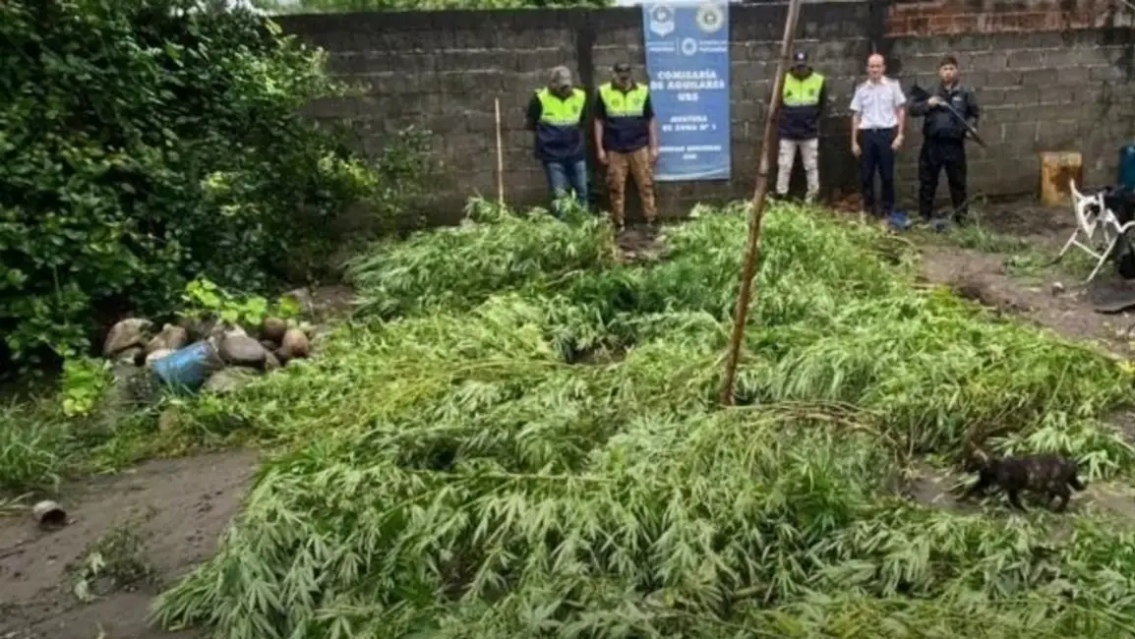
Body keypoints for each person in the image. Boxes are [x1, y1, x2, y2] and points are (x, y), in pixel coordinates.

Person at [908, 55, 980, 227]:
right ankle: (924, 216)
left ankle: (961, 219)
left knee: (958, 183)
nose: (948, 72)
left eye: (951, 69)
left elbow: (974, 114)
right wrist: (928, 103)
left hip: (954, 145)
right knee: (927, 182)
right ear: (939, 72)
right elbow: (913, 110)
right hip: (932, 145)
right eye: (945, 69)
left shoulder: (965, 92)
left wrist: (971, 128)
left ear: (957, 71)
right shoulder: (931, 90)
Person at [594, 62, 659, 232]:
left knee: (646, 184)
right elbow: (599, 121)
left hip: (639, 146)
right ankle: (619, 223)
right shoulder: (604, 92)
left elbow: (650, 119)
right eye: (620, 75)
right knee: (616, 187)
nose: (624, 79)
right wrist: (600, 148)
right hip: (615, 147)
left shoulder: (642, 91)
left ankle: (651, 219)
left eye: (626, 75)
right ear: (614, 74)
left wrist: (654, 146)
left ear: (631, 74)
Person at [849, 53, 906, 222]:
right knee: (866, 175)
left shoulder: (893, 86)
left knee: (887, 175)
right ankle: (868, 209)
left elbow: (900, 111)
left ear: (883, 68)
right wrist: (854, 141)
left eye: (878, 66)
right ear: (867, 68)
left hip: (886, 135)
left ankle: (887, 210)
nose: (875, 69)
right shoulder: (861, 89)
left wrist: (900, 135)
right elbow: (856, 116)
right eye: (872, 66)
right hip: (867, 135)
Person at [525, 66, 589, 217]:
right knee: (559, 195)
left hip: (576, 152)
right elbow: (531, 124)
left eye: (567, 85)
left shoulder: (580, 97)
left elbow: (583, 121)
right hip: (552, 155)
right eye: (562, 86)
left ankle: (583, 221)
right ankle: (563, 225)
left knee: (582, 191)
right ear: (552, 84)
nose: (565, 89)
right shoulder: (540, 98)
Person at [776, 51, 827, 202]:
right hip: (787, 133)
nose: (800, 69)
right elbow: (778, 105)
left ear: (807, 65)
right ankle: (781, 196)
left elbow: (822, 106)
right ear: (793, 65)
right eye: (798, 66)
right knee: (784, 166)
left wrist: (812, 122)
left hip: (809, 133)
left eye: (803, 66)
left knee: (811, 167)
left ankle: (812, 198)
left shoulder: (818, 80)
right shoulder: (783, 79)